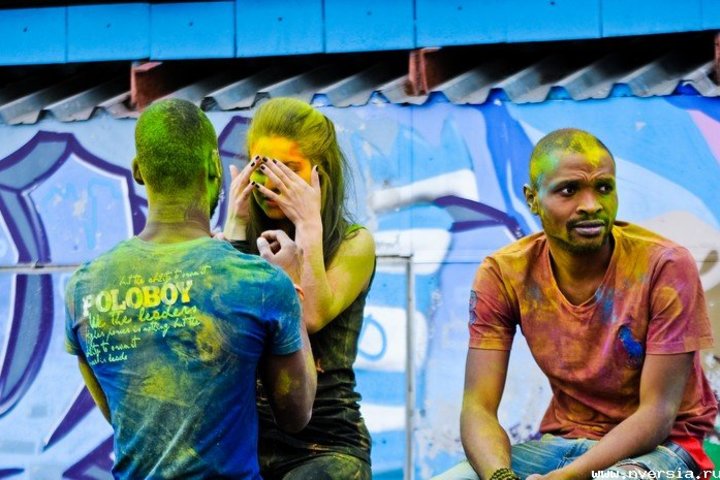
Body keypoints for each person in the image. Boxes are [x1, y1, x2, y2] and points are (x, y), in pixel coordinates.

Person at [434, 128, 718, 480]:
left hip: (665, 448)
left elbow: (657, 412)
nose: (591, 205)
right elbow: (478, 408)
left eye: (604, 188)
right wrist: (500, 476)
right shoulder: (504, 273)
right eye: (569, 190)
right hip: (565, 442)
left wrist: (568, 477)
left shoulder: (665, 266)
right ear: (532, 199)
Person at [64, 98, 316, 480]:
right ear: (214, 167)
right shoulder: (261, 283)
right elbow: (296, 414)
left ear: (138, 171)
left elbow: (119, 416)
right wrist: (292, 284)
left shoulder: (83, 289)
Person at [223, 97, 376, 479]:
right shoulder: (243, 241)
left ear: (321, 174)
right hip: (246, 445)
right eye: (261, 168)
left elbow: (309, 316)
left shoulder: (353, 244)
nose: (272, 183)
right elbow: (222, 328)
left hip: (326, 445)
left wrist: (308, 225)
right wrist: (234, 230)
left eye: (289, 170)